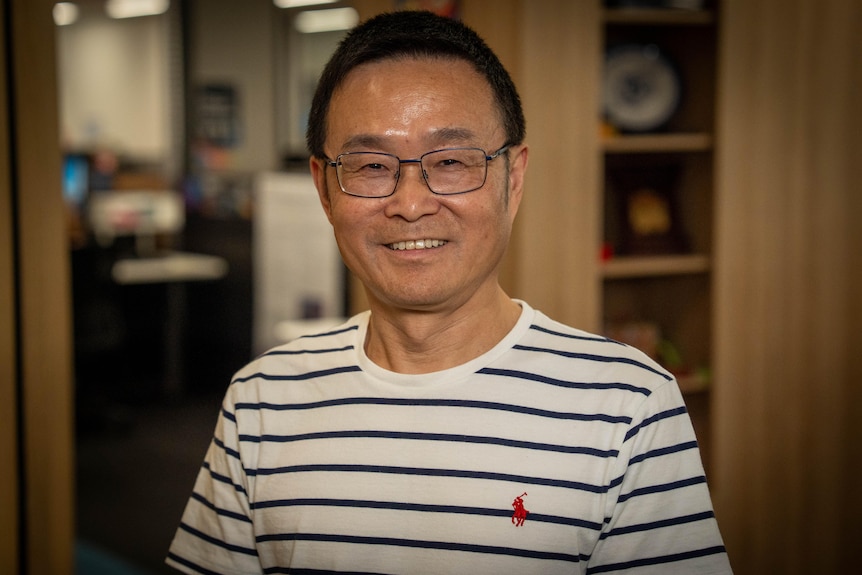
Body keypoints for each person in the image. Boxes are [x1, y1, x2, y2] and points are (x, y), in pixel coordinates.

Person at [167, 10, 732, 574]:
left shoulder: (628, 407)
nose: (411, 203)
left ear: (513, 179)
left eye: (453, 161)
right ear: (324, 189)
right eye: (370, 165)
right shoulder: (262, 400)